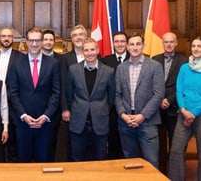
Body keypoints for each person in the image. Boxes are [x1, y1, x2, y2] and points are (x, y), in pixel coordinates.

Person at [168, 36, 201, 181]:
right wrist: (184, 111)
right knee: (176, 151)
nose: (195, 49)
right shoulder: (185, 67)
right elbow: (179, 90)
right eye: (193, 46)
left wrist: (193, 114)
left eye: (199, 46)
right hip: (183, 114)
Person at [9, 27, 60, 162]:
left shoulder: (53, 64)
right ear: (26, 41)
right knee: (23, 163)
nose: (34, 44)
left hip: (45, 123)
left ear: (42, 41)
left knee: (44, 162)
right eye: (31, 40)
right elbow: (13, 93)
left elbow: (56, 93)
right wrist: (24, 116)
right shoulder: (16, 64)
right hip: (23, 123)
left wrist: (46, 116)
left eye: (38, 40)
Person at [115, 32, 165, 168]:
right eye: (131, 44)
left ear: (143, 46)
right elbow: (117, 94)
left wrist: (142, 116)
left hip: (148, 122)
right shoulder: (121, 68)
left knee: (152, 162)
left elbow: (158, 94)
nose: (135, 47)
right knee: (130, 163)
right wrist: (123, 115)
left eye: (138, 44)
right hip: (126, 122)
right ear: (127, 47)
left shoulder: (155, 66)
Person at [66, 37, 115, 161]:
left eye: (92, 49)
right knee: (77, 159)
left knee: (99, 159)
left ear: (98, 50)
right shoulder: (73, 70)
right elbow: (69, 95)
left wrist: (100, 109)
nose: (90, 53)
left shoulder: (109, 72)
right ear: (82, 52)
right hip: (78, 123)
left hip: (100, 122)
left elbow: (111, 97)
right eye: (86, 50)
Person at [152, 32, 187, 172]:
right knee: (158, 144)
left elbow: (182, 85)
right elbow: (152, 83)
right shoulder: (155, 60)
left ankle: (175, 173)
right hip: (157, 109)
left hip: (174, 108)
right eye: (166, 42)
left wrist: (169, 99)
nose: (169, 44)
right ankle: (160, 171)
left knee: (176, 144)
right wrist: (160, 99)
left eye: (172, 42)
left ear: (176, 43)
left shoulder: (183, 61)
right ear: (162, 43)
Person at [0, 28, 23, 162]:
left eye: (9, 36)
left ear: (13, 39)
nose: (6, 39)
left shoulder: (21, 57)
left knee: (13, 143)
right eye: (3, 36)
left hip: (15, 106)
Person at [60, 24, 87, 160]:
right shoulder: (65, 59)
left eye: (81, 34)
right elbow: (63, 85)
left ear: (85, 37)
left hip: (91, 109)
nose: (78, 38)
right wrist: (65, 108)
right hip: (73, 108)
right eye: (75, 35)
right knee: (74, 147)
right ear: (71, 39)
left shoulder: (95, 56)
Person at [100, 31, 129, 159]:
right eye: (116, 41)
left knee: (128, 144)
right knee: (113, 140)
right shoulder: (106, 60)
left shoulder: (133, 58)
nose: (119, 44)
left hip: (129, 107)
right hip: (111, 108)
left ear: (127, 43)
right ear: (113, 43)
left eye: (122, 41)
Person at [42, 29, 63, 162]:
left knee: (52, 140)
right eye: (46, 39)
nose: (48, 42)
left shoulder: (61, 60)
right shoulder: (31, 58)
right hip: (36, 108)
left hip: (55, 107)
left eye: (51, 40)